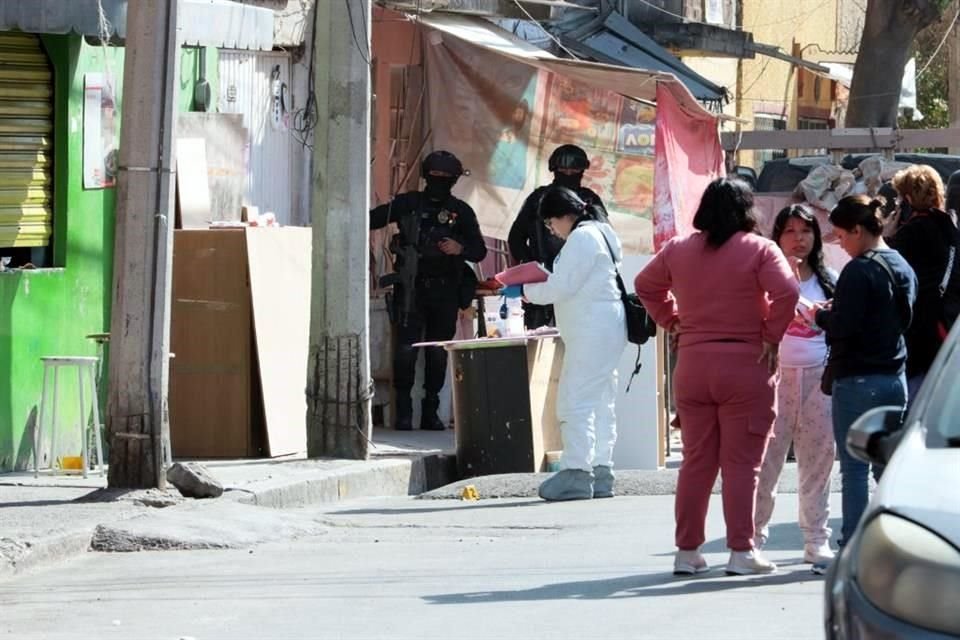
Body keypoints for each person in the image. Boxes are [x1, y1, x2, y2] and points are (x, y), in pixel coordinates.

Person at [634, 178, 799, 576]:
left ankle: (687, 551)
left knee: (696, 463)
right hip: (746, 363)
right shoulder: (760, 249)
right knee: (742, 464)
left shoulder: (678, 249)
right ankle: (741, 551)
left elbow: (644, 285)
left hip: (693, 363)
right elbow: (788, 293)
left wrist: (671, 321)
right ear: (747, 210)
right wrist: (771, 337)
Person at [505, 186, 626, 501]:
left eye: (550, 224)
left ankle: (576, 473)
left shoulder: (582, 239)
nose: (552, 231)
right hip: (607, 326)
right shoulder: (604, 233)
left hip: (591, 328)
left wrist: (524, 291)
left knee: (575, 402)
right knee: (600, 403)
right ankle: (601, 471)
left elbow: (561, 286)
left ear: (564, 216)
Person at [811, 194, 916, 549]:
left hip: (857, 380)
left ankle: (853, 546)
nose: (841, 243)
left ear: (857, 230)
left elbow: (844, 326)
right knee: (885, 467)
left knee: (854, 468)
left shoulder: (859, 269)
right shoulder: (900, 263)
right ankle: (893, 543)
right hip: (894, 378)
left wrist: (819, 316)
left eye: (842, 236)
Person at [370, 150, 487, 431]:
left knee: (436, 351)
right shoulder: (408, 204)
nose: (440, 182)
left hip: (445, 291)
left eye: (446, 179)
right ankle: (404, 412)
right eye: (436, 177)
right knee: (406, 350)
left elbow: (479, 250)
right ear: (425, 176)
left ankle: (431, 412)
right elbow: (372, 220)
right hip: (410, 288)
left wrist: (459, 248)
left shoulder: (462, 212)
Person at [754, 205, 837, 567]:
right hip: (774, 378)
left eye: (806, 231)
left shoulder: (829, 278)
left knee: (818, 463)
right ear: (776, 236)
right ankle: (752, 538)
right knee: (765, 462)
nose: (798, 238)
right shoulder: (762, 276)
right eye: (789, 231)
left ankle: (816, 540)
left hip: (820, 378)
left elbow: (832, 325)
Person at [507, 144, 609, 329]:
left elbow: (604, 241)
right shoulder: (538, 198)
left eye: (574, 169)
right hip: (543, 279)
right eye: (564, 169)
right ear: (555, 170)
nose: (569, 173)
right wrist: (532, 268)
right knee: (539, 342)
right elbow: (516, 238)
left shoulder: (589, 200)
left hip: (581, 285)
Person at [887, 165, 960, 399]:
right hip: (945, 324)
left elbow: (892, 275)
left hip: (920, 332)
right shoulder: (948, 227)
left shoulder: (910, 233)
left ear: (907, 198)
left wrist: (888, 236)